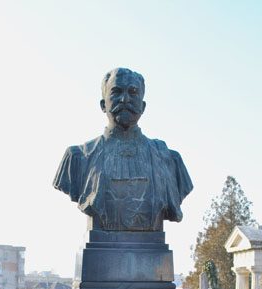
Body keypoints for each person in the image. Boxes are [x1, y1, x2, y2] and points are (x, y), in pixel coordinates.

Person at [53, 67, 193, 231]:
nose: (125, 99)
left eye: (133, 92)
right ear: (103, 104)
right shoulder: (78, 158)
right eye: (116, 92)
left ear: (143, 105)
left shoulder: (169, 160)